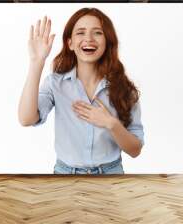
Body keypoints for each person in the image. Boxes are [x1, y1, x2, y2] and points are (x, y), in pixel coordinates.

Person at [18, 8, 144, 174]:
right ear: (70, 43)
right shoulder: (55, 84)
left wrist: (111, 124)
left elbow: (135, 150)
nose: (89, 39)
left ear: (107, 41)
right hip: (65, 175)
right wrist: (37, 61)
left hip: (111, 175)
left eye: (97, 33)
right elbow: (26, 119)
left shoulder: (125, 90)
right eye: (80, 32)